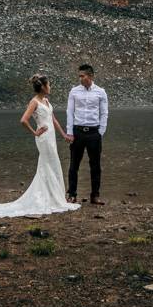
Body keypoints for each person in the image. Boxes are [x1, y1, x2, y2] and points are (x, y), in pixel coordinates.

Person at [0, 74, 79, 218]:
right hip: (43, 138)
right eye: (49, 84)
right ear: (43, 87)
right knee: (47, 164)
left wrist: (63, 135)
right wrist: (35, 132)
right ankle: (48, 197)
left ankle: (53, 196)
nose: (50, 87)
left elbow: (53, 119)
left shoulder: (46, 100)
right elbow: (23, 120)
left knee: (53, 163)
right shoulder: (34, 102)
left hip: (50, 137)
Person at [64, 62, 108, 204]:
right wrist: (70, 132)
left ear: (90, 76)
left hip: (94, 133)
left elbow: (104, 113)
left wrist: (100, 131)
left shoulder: (101, 92)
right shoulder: (74, 91)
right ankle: (72, 194)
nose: (80, 78)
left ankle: (95, 196)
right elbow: (69, 112)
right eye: (79, 76)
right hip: (77, 132)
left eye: (82, 76)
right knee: (73, 165)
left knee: (95, 165)